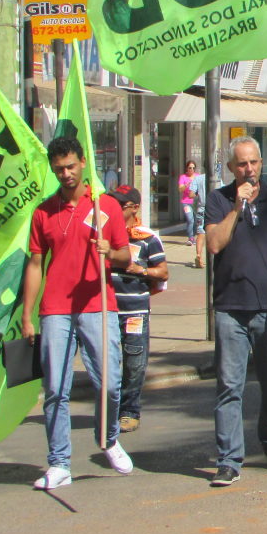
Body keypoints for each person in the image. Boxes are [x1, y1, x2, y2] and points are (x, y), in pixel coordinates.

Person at [21, 136, 134, 490]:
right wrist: (27, 315)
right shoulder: (43, 211)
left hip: (97, 303)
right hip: (55, 308)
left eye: (70, 166)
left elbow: (126, 256)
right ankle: (59, 463)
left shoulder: (106, 206)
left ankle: (109, 438)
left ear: (83, 162)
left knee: (111, 384)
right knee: (55, 388)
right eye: (59, 169)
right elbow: (35, 263)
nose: (66, 174)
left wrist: (108, 251)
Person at [204, 136, 267, 486]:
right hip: (230, 307)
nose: (248, 170)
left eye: (254, 163)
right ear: (231, 168)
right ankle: (229, 460)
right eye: (241, 164)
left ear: (262, 164)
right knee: (229, 386)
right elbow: (215, 244)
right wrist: (236, 208)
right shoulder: (218, 200)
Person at [108, 185, 168, 432]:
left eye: (119, 206)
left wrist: (141, 270)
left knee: (134, 364)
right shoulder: (106, 235)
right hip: (107, 311)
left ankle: (130, 410)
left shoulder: (147, 238)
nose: (113, 210)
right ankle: (110, 411)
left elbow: (163, 272)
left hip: (135, 310)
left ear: (134, 208)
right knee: (108, 364)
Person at [188, 167, 207, 268]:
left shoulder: (198, 179)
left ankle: (199, 255)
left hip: (201, 209)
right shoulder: (216, 178)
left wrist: (198, 193)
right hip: (214, 208)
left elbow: (191, 194)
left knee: (200, 233)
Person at [178, 160, 197, 246]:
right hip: (186, 202)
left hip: (196, 202)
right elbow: (180, 189)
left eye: (193, 168)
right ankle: (190, 238)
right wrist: (186, 185)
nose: (191, 169)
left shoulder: (197, 177)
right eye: (190, 168)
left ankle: (194, 237)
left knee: (196, 220)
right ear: (187, 168)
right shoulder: (183, 177)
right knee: (190, 219)